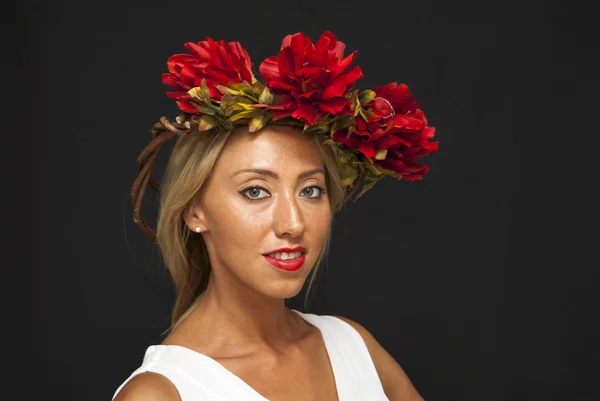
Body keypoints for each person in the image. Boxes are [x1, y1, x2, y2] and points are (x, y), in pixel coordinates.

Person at [114, 31, 437, 401]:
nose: (293, 223)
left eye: (310, 191)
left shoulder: (353, 345)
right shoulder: (162, 393)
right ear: (193, 211)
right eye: (255, 191)